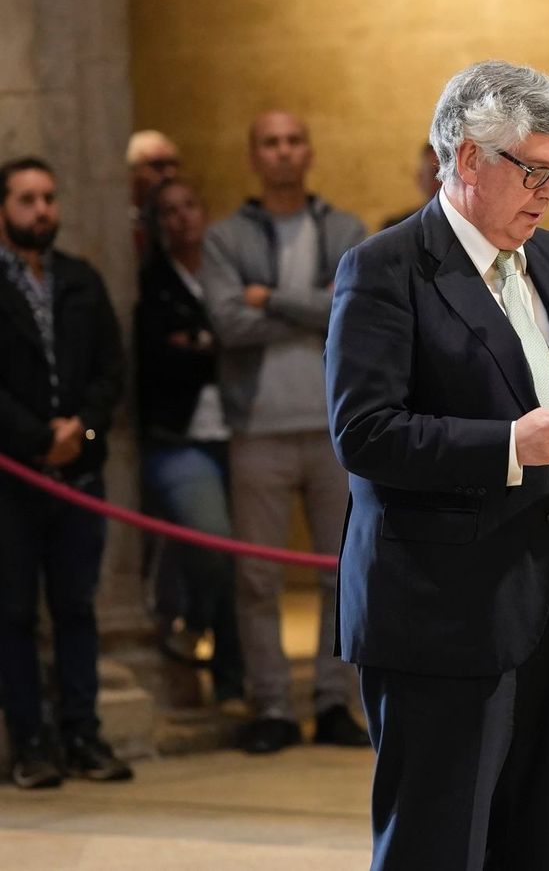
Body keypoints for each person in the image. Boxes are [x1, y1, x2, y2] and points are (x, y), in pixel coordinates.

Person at [325, 60, 549, 871]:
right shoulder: (386, 269)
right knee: (440, 844)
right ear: (465, 158)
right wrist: (505, 445)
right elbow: (365, 432)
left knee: (543, 845)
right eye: (533, 170)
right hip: (440, 614)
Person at [200, 111, 369, 755]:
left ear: (310, 151)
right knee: (259, 578)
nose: (282, 152)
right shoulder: (225, 237)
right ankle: (270, 704)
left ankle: (333, 701)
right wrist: (308, 307)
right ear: (253, 155)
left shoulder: (346, 228)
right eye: (269, 141)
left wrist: (265, 297)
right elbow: (225, 324)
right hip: (258, 429)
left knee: (340, 572)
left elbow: (348, 314)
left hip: (336, 427)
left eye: (293, 140)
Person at [0, 157, 132, 789]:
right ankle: (30, 741)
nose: (42, 210)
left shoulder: (79, 279)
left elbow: (110, 367)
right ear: (3, 208)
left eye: (49, 198)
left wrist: (78, 433)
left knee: (77, 607)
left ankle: (83, 732)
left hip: (79, 470)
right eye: (27, 199)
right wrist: (34, 438)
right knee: (14, 613)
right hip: (13, 479)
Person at [135, 177, 246, 711]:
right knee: (211, 547)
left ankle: (230, 681)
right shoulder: (151, 283)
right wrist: (215, 342)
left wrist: (203, 341)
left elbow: (240, 337)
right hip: (179, 438)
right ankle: (193, 626)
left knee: (244, 566)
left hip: (239, 429)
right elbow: (159, 358)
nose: (180, 219)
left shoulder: (227, 267)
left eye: (188, 207)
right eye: (168, 212)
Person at [127, 130, 182, 259]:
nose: (170, 174)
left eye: (173, 164)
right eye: (157, 165)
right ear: (132, 172)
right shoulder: (117, 222)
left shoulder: (182, 221)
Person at [380, 141, 440, 229]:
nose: (445, 182)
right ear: (419, 179)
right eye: (436, 173)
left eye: (453, 174)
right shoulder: (396, 229)